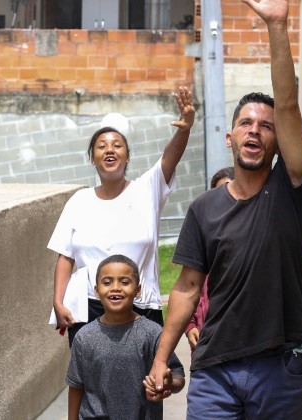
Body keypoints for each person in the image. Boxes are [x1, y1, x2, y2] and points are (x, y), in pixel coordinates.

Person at [149, 0, 302, 417]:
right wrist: (161, 358)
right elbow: (186, 288)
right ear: (230, 138)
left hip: (278, 369)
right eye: (246, 124)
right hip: (214, 372)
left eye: (266, 126)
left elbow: (289, 105)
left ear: (278, 143)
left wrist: (277, 26)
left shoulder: (291, 188)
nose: (255, 130)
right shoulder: (204, 208)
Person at [49, 87, 195, 346]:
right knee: (92, 381)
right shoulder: (78, 202)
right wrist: (58, 302)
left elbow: (169, 159)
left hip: (141, 305)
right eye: (101, 146)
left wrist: (183, 130)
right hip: (90, 308)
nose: (110, 150)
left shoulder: (146, 190)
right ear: (92, 158)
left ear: (127, 156)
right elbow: (65, 256)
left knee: (143, 380)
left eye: (117, 146)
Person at [67, 254, 185, 420]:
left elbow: (178, 374)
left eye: (124, 281)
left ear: (138, 290)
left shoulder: (152, 332)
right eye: (107, 282)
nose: (115, 287)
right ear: (96, 291)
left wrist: (168, 384)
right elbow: (76, 385)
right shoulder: (84, 337)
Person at [183, 166, 234, 352]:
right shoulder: (203, 238)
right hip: (205, 348)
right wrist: (190, 328)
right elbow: (187, 288)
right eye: (219, 194)